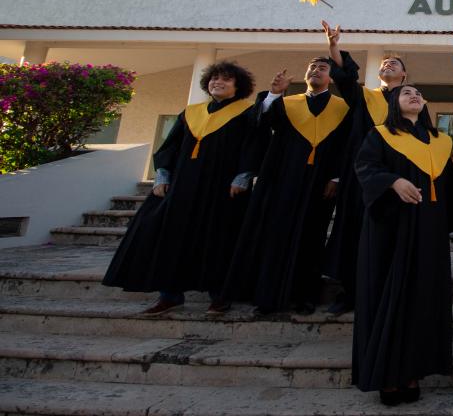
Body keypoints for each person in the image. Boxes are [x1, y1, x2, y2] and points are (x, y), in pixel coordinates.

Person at [103, 61, 257, 315]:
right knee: (170, 238)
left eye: (226, 79)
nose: (218, 82)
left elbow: (254, 146)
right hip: (183, 186)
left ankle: (219, 295)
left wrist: (243, 177)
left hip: (222, 189)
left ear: (238, 86)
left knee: (218, 240)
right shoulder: (191, 112)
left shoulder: (247, 113)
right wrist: (162, 176)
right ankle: (170, 294)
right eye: (214, 78)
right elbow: (170, 147)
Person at [352, 85, 453, 406]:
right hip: (391, 229)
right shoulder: (380, 135)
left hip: (429, 232)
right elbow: (365, 167)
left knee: (421, 299)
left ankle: (413, 371)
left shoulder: (442, 142)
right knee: (391, 295)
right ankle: (387, 375)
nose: (413, 96)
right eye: (405, 93)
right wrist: (392, 181)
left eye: (417, 93)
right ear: (394, 104)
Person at [222, 57, 350, 315]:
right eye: (312, 68)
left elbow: (347, 145)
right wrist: (273, 94)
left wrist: (337, 177)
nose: (316, 71)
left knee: (311, 238)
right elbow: (260, 125)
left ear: (331, 78)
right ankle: (266, 298)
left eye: (322, 69)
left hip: (320, 185)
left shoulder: (343, 107)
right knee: (273, 237)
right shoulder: (287, 104)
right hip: (282, 181)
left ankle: (305, 296)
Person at [320, 21, 407, 316]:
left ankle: (386, 291)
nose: (387, 65)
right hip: (360, 178)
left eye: (394, 63)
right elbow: (345, 80)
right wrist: (334, 47)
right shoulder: (363, 97)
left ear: (404, 74)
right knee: (353, 232)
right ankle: (349, 292)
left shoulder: (411, 100)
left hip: (397, 179)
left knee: (390, 234)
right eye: (384, 63)